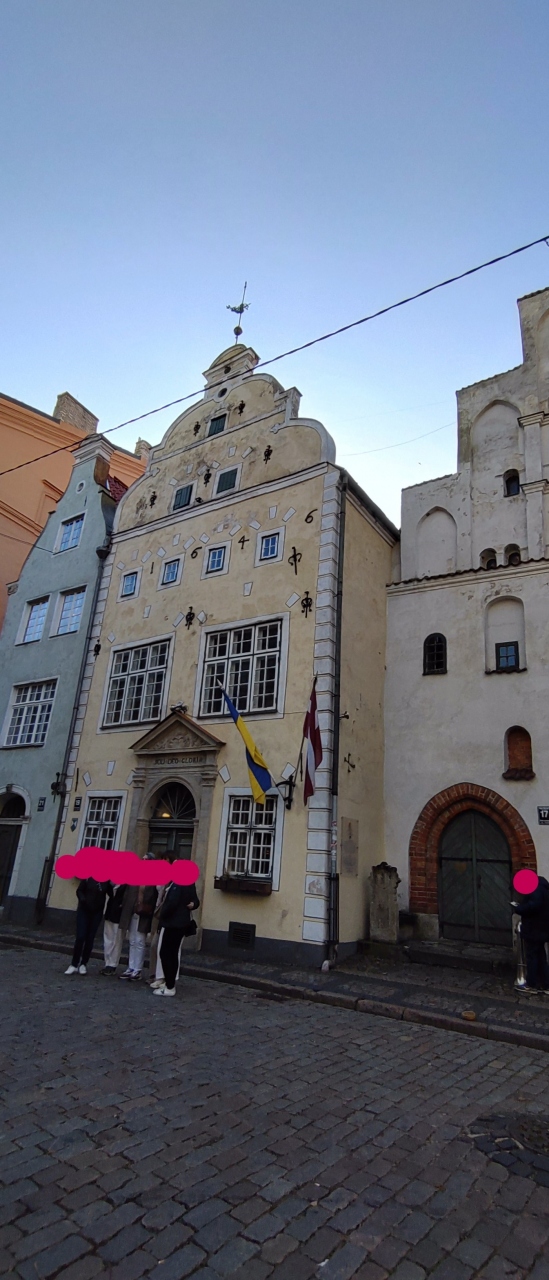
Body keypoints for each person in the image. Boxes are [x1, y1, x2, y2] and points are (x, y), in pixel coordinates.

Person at [154, 880, 200, 997]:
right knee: (170, 953)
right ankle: (169, 983)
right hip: (177, 923)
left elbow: (172, 903)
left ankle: (170, 986)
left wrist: (162, 914)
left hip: (174, 923)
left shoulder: (180, 883)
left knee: (167, 953)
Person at [119, 855, 157, 981]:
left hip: (144, 913)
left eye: (147, 860)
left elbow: (154, 896)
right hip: (132, 911)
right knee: (132, 940)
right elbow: (127, 893)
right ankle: (131, 967)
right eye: (143, 859)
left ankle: (138, 969)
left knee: (140, 941)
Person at [65, 878, 111, 975]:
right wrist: (83, 899)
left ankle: (83, 964)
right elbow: (79, 891)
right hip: (84, 910)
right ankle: (74, 964)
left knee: (90, 938)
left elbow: (111, 893)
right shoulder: (88, 877)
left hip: (97, 912)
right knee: (80, 936)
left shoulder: (106, 881)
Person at [512, 873, 549, 993]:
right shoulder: (542, 886)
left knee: (532, 956)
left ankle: (531, 984)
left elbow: (534, 905)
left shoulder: (535, 889)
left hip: (534, 928)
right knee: (541, 956)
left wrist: (519, 908)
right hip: (542, 928)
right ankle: (545, 983)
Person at [101, 883, 126, 975]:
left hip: (119, 914)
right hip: (110, 911)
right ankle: (107, 962)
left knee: (117, 939)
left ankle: (113, 964)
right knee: (108, 937)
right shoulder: (111, 882)